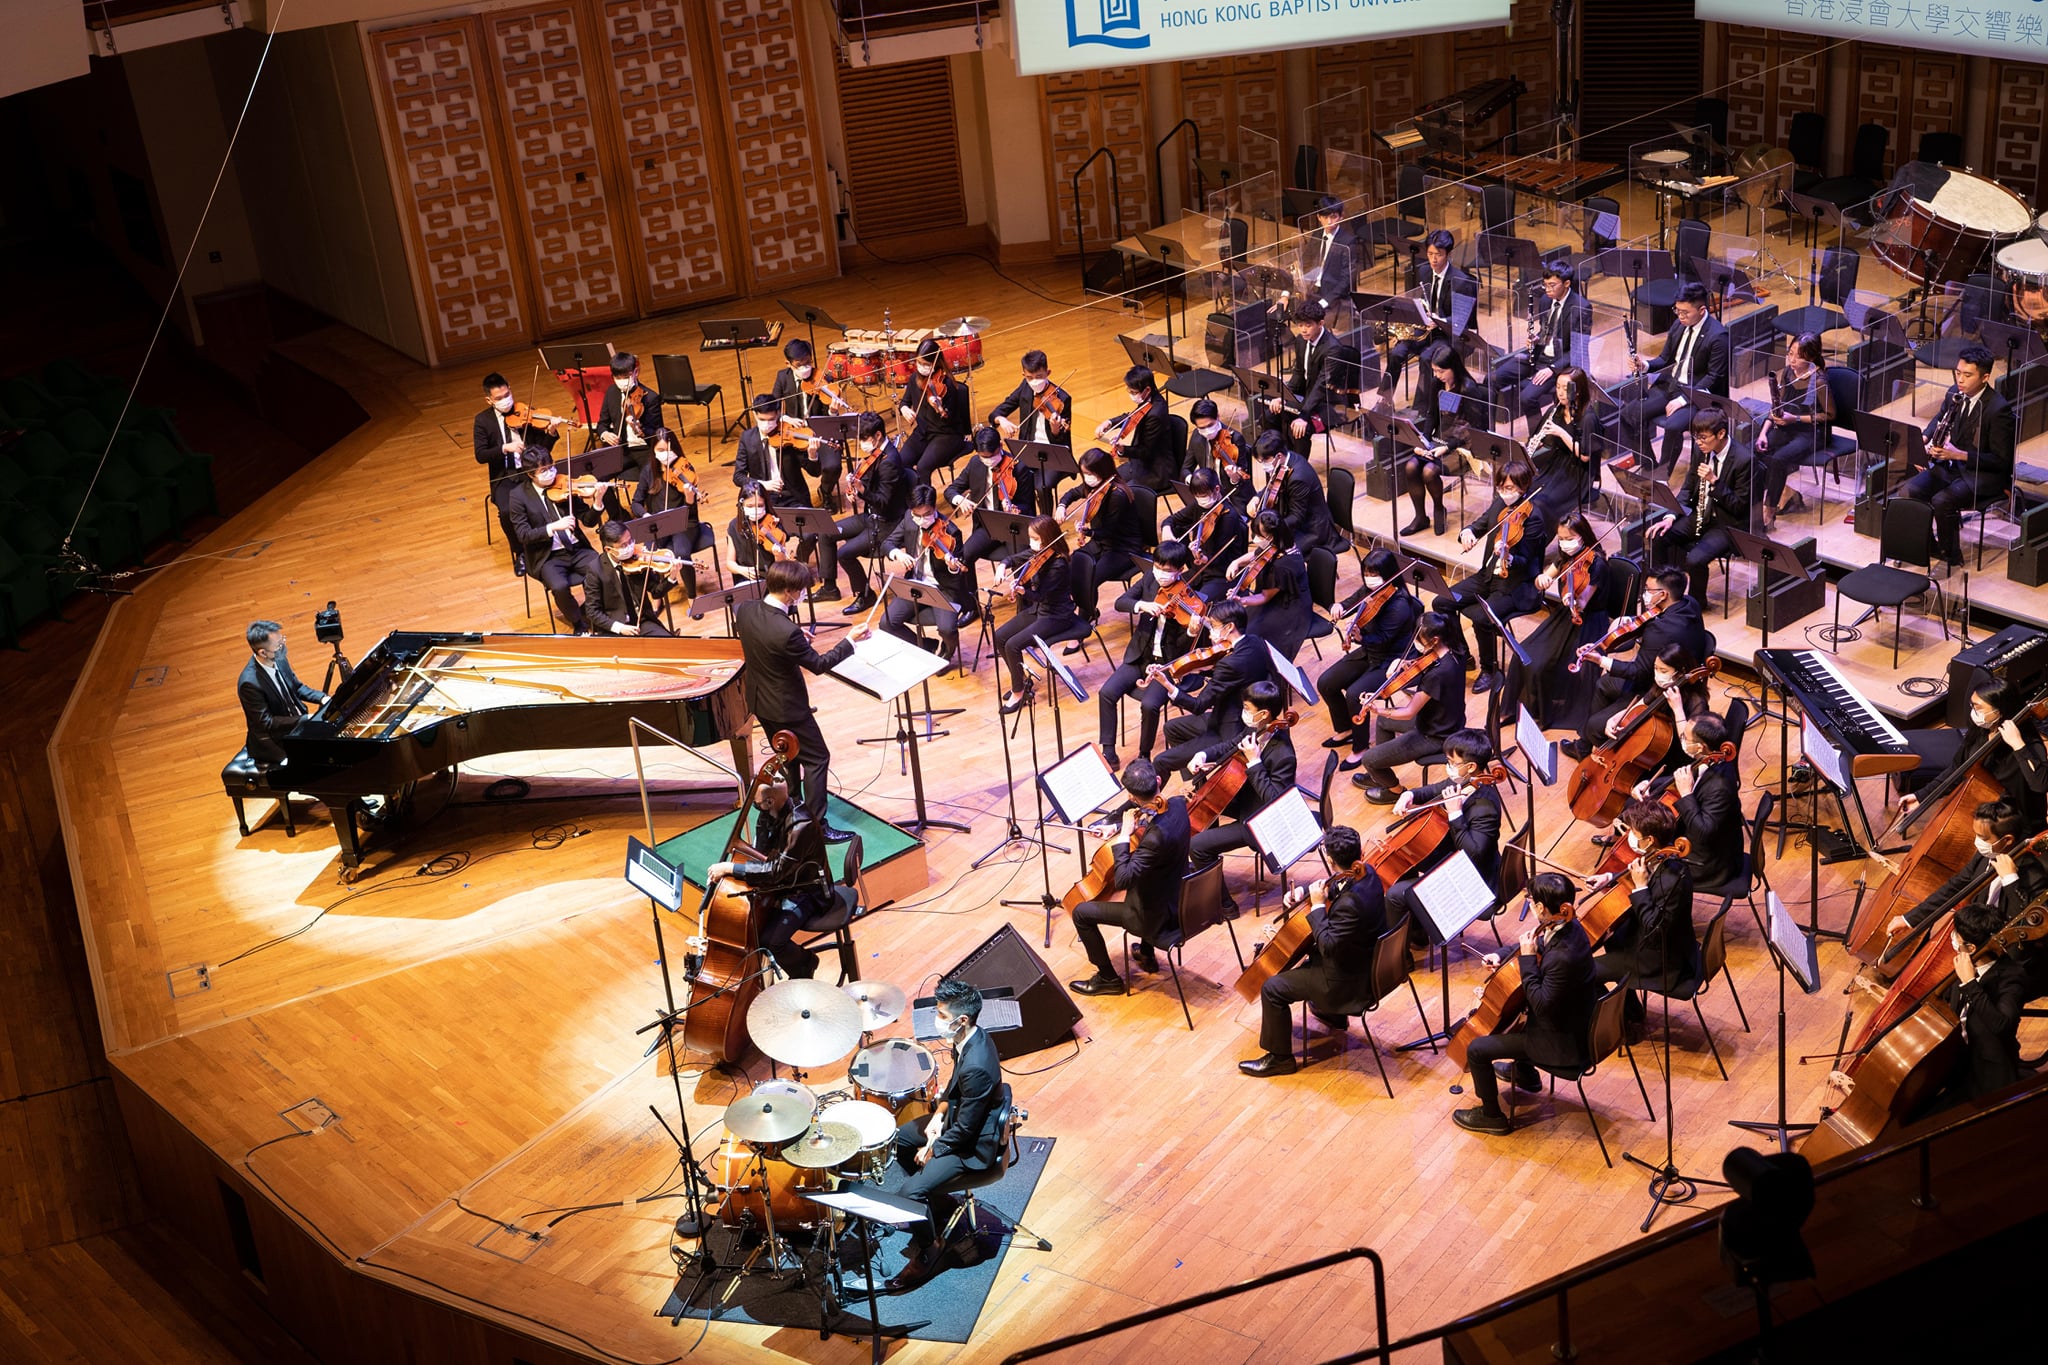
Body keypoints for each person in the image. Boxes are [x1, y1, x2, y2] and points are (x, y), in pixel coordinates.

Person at [1451, 871, 1598, 1136]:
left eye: (1531, 901)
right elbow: (1534, 944)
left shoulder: (1563, 958)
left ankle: (1491, 1116)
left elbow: (1541, 1005)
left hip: (1562, 1045)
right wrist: (1500, 954)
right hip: (1574, 1023)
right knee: (1515, 1013)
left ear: (1542, 907)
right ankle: (1527, 1075)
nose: (1529, 905)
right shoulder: (1569, 927)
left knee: (1477, 1048)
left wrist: (1528, 961)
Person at [733, 559, 871, 839]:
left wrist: (794, 642)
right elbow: (819, 664)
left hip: (760, 702)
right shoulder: (786, 632)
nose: (806, 593)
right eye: (803, 590)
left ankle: (793, 812)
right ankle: (817, 827)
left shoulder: (745, 610)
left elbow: (766, 641)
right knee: (818, 758)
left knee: (787, 757)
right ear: (790, 593)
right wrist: (850, 641)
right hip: (788, 708)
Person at [1237, 825, 1386, 1078]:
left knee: (1272, 988)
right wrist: (1306, 894)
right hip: (1365, 963)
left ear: (1330, 860)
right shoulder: (1367, 873)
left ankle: (1280, 1059)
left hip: (1345, 982)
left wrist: (1317, 906)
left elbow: (1328, 946)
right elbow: (1340, 890)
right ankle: (1334, 1017)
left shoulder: (1351, 904)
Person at [885, 978, 1005, 1292]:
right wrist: (938, 1115)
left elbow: (966, 1131)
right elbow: (956, 1087)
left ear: (961, 1019)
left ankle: (929, 1249)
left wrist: (934, 1147)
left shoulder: (977, 1065)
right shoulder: (970, 1037)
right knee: (900, 1139)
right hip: (960, 1122)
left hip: (974, 1146)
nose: (937, 1019)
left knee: (908, 1194)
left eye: (941, 1014)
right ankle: (936, 1200)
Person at [1067, 760, 1193, 997]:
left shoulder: (1156, 839)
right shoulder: (1177, 805)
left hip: (1154, 916)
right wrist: (1117, 829)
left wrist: (1124, 836)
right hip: (1182, 900)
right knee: (1152, 883)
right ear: (1158, 781)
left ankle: (1107, 978)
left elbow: (1124, 879)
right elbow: (1153, 818)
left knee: (1081, 913)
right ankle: (1145, 953)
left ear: (1132, 797)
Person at [1563, 568, 1711, 762]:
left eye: (1648, 589)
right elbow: (1657, 622)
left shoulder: (1661, 630)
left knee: (1593, 725)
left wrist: (1601, 660)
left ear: (1663, 594)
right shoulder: (1688, 604)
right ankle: (1585, 746)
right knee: (1604, 684)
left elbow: (1638, 672)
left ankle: (1606, 749)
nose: (1645, 594)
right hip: (1674, 670)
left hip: (1657, 689)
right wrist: (1633, 622)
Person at [1435, 459, 1552, 695]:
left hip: (1516, 585)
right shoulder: (1500, 502)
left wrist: (1507, 557)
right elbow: (1479, 525)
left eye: (1509, 489)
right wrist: (1466, 532)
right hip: (1488, 576)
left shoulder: (1534, 517)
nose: (1504, 493)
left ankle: (1490, 670)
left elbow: (1528, 561)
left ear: (1523, 486)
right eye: (1500, 487)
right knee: (1442, 602)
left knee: (1481, 616)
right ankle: (1462, 654)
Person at [704, 776, 836, 981]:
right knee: (755, 928)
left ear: (770, 801)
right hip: (786, 883)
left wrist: (731, 868)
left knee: (771, 940)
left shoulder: (802, 825)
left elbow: (776, 872)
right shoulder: (770, 813)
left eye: (756, 803)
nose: (755, 807)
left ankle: (805, 963)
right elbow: (761, 852)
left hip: (809, 891)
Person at [1581, 647, 1714, 849]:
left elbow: (1690, 748)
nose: (1657, 674)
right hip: (1656, 753)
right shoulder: (1660, 687)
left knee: (1633, 790)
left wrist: (1677, 708)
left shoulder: (1697, 702)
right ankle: (1623, 831)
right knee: (1627, 776)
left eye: (1663, 670)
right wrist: (1617, 718)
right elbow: (1641, 705)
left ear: (1680, 672)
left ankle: (1627, 835)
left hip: (1678, 761)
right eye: (1655, 668)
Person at [1898, 346, 2016, 566]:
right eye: (1958, 373)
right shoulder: (1955, 392)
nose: (1960, 379)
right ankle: (1929, 547)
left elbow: (2001, 461)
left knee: (1942, 501)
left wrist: (1959, 454)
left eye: (1967, 375)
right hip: (1952, 465)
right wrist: (1924, 439)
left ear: (1985, 377)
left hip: (1982, 474)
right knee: (1909, 491)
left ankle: (1951, 557)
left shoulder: (1998, 410)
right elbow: (1940, 418)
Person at [1185, 681, 1299, 909]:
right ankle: (1207, 865)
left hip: (1262, 822)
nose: (1244, 713)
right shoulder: (1256, 729)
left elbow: (1275, 801)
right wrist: (1203, 755)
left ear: (1264, 714)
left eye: (1248, 708)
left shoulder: (1284, 754)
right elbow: (1230, 745)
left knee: (1195, 846)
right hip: (1248, 801)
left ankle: (1225, 905)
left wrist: (1254, 762)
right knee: (1203, 796)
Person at [1585, 799, 1699, 1023]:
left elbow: (1655, 930)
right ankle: (1631, 1011)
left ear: (1649, 840)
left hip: (1662, 961)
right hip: (1659, 946)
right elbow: (1640, 876)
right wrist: (1610, 878)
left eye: (1633, 832)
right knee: (1611, 937)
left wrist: (1640, 888)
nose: (1629, 835)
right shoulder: (1660, 858)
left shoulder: (1671, 880)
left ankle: (1624, 1025)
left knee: (1585, 972)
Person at [1885, 800, 2048, 956]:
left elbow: (2034, 921)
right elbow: (1953, 887)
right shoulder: (1984, 855)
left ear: (2007, 840)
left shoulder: (2033, 874)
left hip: (2005, 952)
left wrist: (2011, 880)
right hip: (1975, 933)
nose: (1977, 842)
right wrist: (1908, 919)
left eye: (1983, 838)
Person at [1383, 729, 1502, 935]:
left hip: (1473, 880)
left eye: (1452, 762)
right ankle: (1418, 933)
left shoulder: (1486, 807)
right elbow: (1432, 790)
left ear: (1471, 767)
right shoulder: (1463, 782)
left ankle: (1401, 957)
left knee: (1394, 895)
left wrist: (1455, 814)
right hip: (1455, 858)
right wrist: (1409, 794)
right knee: (1405, 857)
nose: (1448, 767)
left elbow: (1474, 855)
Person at [1101, 540, 1203, 771]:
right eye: (1158, 566)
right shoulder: (1149, 579)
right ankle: (1109, 750)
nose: (1161, 574)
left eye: (1167, 571)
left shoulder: (1189, 601)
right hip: (1140, 657)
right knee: (1106, 692)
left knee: (1149, 704)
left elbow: (1181, 649)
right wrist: (1142, 605)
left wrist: (1190, 631)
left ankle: (1144, 755)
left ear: (1180, 570)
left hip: (1166, 666)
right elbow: (1120, 602)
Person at [1899, 681, 2048, 830]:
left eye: (1978, 708)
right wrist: (1921, 796)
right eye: (1972, 705)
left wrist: (2018, 745)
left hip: (2018, 824)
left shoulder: (2028, 744)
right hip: (1986, 815)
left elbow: (2040, 784)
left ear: (1999, 711)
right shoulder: (1980, 731)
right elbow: (1958, 768)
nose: (1973, 712)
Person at [1351, 612, 1467, 803]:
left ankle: (1394, 790)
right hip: (1450, 719)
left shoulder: (1438, 675)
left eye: (1420, 639)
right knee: (1383, 723)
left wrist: (1377, 708)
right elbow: (1430, 666)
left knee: (1369, 759)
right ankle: (1381, 773)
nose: (1417, 644)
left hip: (1435, 734)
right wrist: (1407, 664)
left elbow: (1408, 712)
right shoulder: (1457, 650)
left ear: (1435, 639)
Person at [1151, 599, 1273, 779]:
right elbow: (1236, 675)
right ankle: (1197, 779)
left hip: (1227, 729)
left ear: (1229, 627)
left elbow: (1198, 705)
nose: (1210, 634)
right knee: (1171, 728)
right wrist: (1203, 667)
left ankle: (1198, 776)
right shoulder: (1255, 642)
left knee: (1161, 760)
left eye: (1214, 626)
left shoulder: (1229, 664)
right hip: (1236, 714)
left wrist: (1167, 685)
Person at [1642, 408, 1752, 605]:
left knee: (1695, 559)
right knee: (1659, 536)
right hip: (1700, 513)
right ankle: (1663, 591)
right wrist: (1670, 517)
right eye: (1695, 437)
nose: (1698, 442)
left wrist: (1715, 482)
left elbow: (1739, 507)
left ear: (1721, 434)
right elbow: (1687, 487)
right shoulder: (1700, 450)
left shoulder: (1744, 460)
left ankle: (1695, 604)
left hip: (1726, 524)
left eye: (1703, 437)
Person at [1316, 547, 1420, 753]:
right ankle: (1346, 729)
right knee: (1326, 683)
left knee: (1354, 695)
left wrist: (1359, 637)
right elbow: (1351, 603)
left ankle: (1361, 748)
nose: (1369, 578)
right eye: (1366, 573)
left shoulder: (1399, 604)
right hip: (1370, 652)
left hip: (1392, 660)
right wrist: (1339, 606)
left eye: (1374, 574)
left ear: (1388, 574)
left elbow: (1382, 639)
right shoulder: (1370, 590)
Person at [1512, 512, 1609, 730]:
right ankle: (1530, 708)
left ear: (1583, 536)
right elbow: (1544, 578)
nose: (1565, 543)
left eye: (1569, 538)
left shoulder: (1597, 565)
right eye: (1561, 539)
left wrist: (1573, 599)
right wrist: (1542, 579)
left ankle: (1547, 710)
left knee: (1542, 663)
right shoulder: (1567, 557)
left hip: (1589, 620)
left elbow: (1583, 601)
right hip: (1566, 616)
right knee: (1525, 653)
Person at [1621, 282, 1730, 470]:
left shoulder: (1718, 337)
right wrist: (1644, 365)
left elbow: (1713, 378)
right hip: (1670, 386)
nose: (1680, 316)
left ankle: (1662, 474)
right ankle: (1647, 466)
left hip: (1698, 395)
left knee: (1673, 426)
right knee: (1628, 414)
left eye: (1685, 312)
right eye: (1677, 310)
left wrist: (1683, 400)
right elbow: (1665, 358)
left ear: (1702, 310)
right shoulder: (1679, 325)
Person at [1631, 713, 1743, 889]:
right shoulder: (1709, 759)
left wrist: (1686, 794)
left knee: (1643, 867)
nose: (1682, 737)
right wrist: (1649, 785)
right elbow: (1683, 776)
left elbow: (1704, 832)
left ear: (1700, 747)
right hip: (1700, 842)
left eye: (1685, 736)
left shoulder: (1720, 785)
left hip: (1707, 864)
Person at [1396, 342, 1492, 537]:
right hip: (1440, 440)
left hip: (1464, 445)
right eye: (1434, 371)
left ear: (1453, 367)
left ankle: (1439, 509)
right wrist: (1423, 440)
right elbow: (1431, 414)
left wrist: (1447, 447)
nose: (1437, 375)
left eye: (1440, 371)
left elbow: (1474, 428)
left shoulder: (1468, 388)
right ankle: (1421, 517)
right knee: (1411, 467)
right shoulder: (1436, 384)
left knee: (1430, 471)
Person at [507, 449, 607, 632]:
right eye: (543, 471)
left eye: (551, 467)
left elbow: (588, 520)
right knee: (560, 587)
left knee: (602, 569)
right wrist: (553, 527)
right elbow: (523, 535)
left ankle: (594, 612)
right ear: (530, 474)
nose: (551, 473)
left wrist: (598, 503)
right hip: (547, 556)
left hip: (577, 549)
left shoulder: (565, 484)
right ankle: (578, 623)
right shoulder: (518, 496)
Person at [991, 515, 1083, 714]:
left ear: (1047, 538)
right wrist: (1002, 565)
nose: (1031, 541)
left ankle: (1018, 692)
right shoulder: (1039, 553)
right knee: (1000, 637)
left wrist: (1022, 590)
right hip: (1040, 610)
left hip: (1057, 615)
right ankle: (1021, 681)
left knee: (1013, 645)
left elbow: (1039, 595)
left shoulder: (1058, 564)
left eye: (1034, 538)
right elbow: (1013, 558)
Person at [1488, 259, 1592, 432]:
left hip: (1562, 364)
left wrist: (1552, 369)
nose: (1548, 290)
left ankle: (1536, 439)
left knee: (1527, 398)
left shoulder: (1581, 307)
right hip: (1539, 354)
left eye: (1552, 285)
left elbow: (1577, 350)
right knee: (1492, 378)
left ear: (1566, 283)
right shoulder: (1545, 300)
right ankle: (1489, 430)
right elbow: (1547, 330)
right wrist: (1536, 338)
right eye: (1545, 285)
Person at [474, 371, 564, 566]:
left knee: (550, 499)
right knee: (507, 512)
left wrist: (550, 433)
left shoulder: (525, 412)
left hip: (530, 474)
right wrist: (505, 448)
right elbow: (480, 455)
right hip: (504, 476)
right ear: (489, 400)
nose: (505, 401)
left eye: (507, 395)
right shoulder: (483, 421)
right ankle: (520, 553)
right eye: (499, 398)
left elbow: (542, 452)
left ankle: (554, 544)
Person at [827, 410, 911, 614]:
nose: (862, 444)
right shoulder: (875, 455)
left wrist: (862, 492)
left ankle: (864, 595)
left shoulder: (890, 460)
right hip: (870, 517)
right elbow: (868, 482)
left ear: (878, 436)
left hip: (886, 523)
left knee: (844, 553)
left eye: (865, 439)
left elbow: (883, 502)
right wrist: (854, 489)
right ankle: (829, 587)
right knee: (826, 531)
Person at [1381, 228, 1475, 410]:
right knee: (1397, 352)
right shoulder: (1423, 272)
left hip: (1450, 334)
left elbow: (1463, 320)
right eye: (1430, 254)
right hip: (1426, 329)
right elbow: (1417, 300)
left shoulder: (1462, 281)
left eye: (1438, 255)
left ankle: (1421, 409)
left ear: (1449, 254)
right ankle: (1384, 399)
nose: (1433, 259)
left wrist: (1440, 320)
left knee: (1426, 358)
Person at [881, 487, 974, 661]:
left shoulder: (952, 532)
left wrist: (952, 566)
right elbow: (887, 543)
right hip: (916, 583)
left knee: (947, 629)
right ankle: (925, 646)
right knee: (886, 623)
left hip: (944, 589)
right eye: (918, 515)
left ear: (935, 508)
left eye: (927, 514)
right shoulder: (910, 519)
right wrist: (898, 554)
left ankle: (947, 651)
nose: (922, 520)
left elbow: (958, 575)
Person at [1755, 332, 1834, 530]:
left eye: (1797, 356)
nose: (1792, 360)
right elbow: (1776, 406)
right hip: (1788, 426)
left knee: (1778, 459)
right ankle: (1784, 493)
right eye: (1790, 354)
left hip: (1812, 432)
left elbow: (1830, 415)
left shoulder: (1819, 381)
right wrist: (1763, 432)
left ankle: (1769, 512)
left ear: (1811, 358)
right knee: (1754, 451)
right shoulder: (1789, 373)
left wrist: (1796, 418)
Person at [1061, 449, 1144, 627]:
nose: (1086, 478)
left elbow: (1108, 530)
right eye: (1084, 473)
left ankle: (1084, 621)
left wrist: (1087, 531)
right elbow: (1072, 493)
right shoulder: (1093, 486)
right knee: (1071, 566)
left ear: (1102, 471)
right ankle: (1089, 609)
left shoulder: (1117, 495)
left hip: (1123, 548)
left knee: (1089, 576)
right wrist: (1062, 506)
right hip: (1101, 543)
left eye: (1089, 473)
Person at [767, 338, 850, 509]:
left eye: (808, 363)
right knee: (783, 458)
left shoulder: (823, 378)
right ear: (789, 364)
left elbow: (830, 419)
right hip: (794, 433)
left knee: (833, 465)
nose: (806, 368)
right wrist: (784, 418)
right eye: (800, 365)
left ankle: (825, 492)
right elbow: (773, 405)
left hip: (820, 432)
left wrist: (832, 411)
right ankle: (801, 501)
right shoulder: (783, 377)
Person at [945, 425, 1035, 580]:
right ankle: (972, 602)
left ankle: (1025, 603)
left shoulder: (1018, 468)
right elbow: (951, 490)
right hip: (988, 526)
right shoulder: (975, 463)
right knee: (963, 557)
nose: (988, 461)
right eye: (983, 457)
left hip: (1013, 527)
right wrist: (959, 500)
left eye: (991, 456)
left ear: (1000, 447)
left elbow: (1028, 506)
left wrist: (1016, 508)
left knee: (1019, 567)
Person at [238, 619, 329, 768]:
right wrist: (305, 719)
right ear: (262, 652)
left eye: (282, 640)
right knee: (316, 764)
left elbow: (297, 687)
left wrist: (323, 698)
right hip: (275, 740)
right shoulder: (249, 683)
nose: (283, 647)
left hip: (298, 725)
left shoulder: (279, 659)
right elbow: (266, 723)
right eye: (279, 645)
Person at [1226, 510, 1313, 661]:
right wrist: (1237, 562)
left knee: (1251, 635)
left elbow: (1265, 596)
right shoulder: (1277, 544)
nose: (1254, 539)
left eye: (1259, 536)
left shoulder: (1283, 567)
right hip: (1275, 596)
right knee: (1239, 623)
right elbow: (1256, 554)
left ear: (1272, 536)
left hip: (1289, 608)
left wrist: (1243, 600)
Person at [628, 427, 703, 596]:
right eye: (660, 450)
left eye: (669, 450)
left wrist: (690, 498)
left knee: (682, 554)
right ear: (653, 451)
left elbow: (690, 514)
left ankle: (693, 598)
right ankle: (658, 595)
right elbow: (636, 503)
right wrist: (646, 516)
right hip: (658, 526)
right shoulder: (649, 471)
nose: (665, 454)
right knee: (650, 554)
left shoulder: (685, 469)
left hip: (684, 524)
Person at [1263, 300, 1341, 458]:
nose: (1303, 330)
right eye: (1300, 325)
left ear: (1320, 323)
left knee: (1300, 430)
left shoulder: (1333, 349)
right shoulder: (1301, 341)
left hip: (1327, 402)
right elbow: (1298, 374)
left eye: (1308, 325)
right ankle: (1281, 457)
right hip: (1306, 396)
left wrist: (1304, 416)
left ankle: (1298, 469)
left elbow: (1322, 385)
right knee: (1269, 416)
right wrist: (1283, 397)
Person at [1160, 467, 1248, 601]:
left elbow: (1220, 557)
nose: (1201, 500)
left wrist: (1204, 558)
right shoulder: (1198, 505)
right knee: (1167, 592)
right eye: (1197, 496)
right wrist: (1166, 528)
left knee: (1196, 604)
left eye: (1203, 496)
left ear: (1217, 489)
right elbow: (1172, 519)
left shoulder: (1229, 517)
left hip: (1221, 575)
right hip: (1199, 571)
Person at [1250, 427, 1337, 556]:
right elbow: (1272, 484)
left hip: (1312, 529)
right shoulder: (1284, 461)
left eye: (1264, 461)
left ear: (1278, 456)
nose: (1263, 465)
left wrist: (1272, 529)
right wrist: (1257, 497)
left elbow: (1297, 516)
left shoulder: (1299, 477)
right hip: (1297, 521)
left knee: (1277, 554)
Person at [583, 521, 678, 637]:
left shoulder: (638, 560)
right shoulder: (595, 570)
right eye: (623, 545)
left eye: (630, 541)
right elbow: (592, 612)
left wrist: (672, 577)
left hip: (642, 622)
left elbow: (656, 592)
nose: (630, 547)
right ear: (608, 549)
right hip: (615, 628)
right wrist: (620, 628)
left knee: (668, 644)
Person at [1525, 367, 1594, 520]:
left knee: (1543, 503)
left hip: (1577, 472)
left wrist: (1561, 433)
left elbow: (1585, 456)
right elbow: (1540, 439)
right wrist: (1533, 446)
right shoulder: (1555, 411)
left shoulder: (1588, 418)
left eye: (1565, 388)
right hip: (1555, 465)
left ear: (1577, 391)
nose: (1560, 392)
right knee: (1527, 493)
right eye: (1557, 387)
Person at [899, 338, 972, 481]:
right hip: (923, 432)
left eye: (925, 364)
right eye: (918, 362)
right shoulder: (914, 379)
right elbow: (904, 402)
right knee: (901, 462)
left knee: (923, 467)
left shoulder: (948, 385)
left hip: (947, 435)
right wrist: (904, 409)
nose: (920, 366)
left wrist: (940, 407)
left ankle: (926, 502)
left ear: (936, 363)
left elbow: (950, 417)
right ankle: (911, 498)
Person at [1097, 365, 1176, 491]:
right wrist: (1110, 422)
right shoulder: (1149, 399)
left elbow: (1145, 451)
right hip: (1139, 465)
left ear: (1147, 389)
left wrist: (1123, 450)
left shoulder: (1156, 413)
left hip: (1155, 473)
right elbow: (1133, 416)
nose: (1132, 395)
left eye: (1134, 393)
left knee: (1120, 494)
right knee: (1105, 480)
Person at [594, 351, 661, 471]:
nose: (622, 381)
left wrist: (639, 429)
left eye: (626, 377)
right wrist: (605, 434)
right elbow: (602, 424)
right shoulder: (611, 392)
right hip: (621, 450)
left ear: (636, 372)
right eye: (617, 378)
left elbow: (658, 434)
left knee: (650, 481)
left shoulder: (650, 398)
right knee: (595, 476)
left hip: (644, 450)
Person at [727, 481, 801, 585]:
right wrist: (741, 570)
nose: (755, 510)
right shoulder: (734, 526)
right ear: (741, 506)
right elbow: (730, 563)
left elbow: (781, 566)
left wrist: (778, 556)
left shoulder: (774, 524)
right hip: (746, 579)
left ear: (766, 504)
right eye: (750, 506)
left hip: (772, 578)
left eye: (760, 505)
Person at [1184, 398, 1253, 501]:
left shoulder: (1235, 439)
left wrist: (1234, 478)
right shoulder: (1196, 436)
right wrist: (1193, 481)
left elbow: (1243, 481)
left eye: (1210, 425)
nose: (1207, 431)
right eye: (1202, 428)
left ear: (1218, 417)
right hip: (1207, 493)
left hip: (1233, 496)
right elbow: (1186, 469)